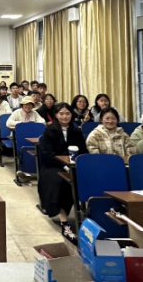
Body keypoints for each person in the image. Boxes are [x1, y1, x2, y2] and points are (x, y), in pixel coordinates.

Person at [38, 103, 88, 244]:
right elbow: (48, 154)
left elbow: (83, 151)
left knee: (81, 180)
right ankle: (64, 222)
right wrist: (64, 166)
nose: (65, 116)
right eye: (61, 114)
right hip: (53, 166)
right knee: (59, 182)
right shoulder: (49, 131)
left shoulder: (76, 131)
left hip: (73, 166)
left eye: (67, 113)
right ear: (56, 115)